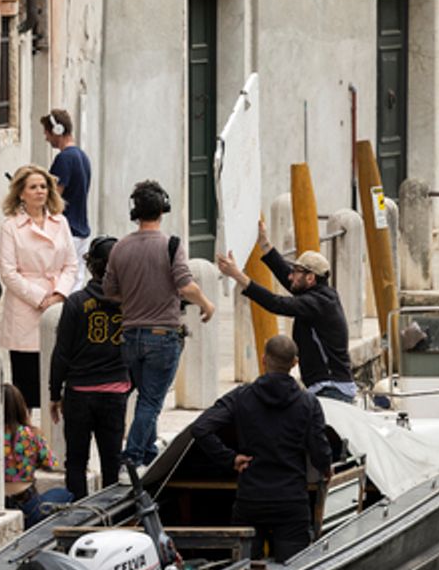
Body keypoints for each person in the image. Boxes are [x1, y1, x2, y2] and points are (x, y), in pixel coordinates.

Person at [103, 180, 216, 469]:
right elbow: (186, 285)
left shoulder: (120, 248)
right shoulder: (171, 245)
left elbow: (110, 291)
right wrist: (206, 303)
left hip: (130, 336)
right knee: (151, 401)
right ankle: (132, 457)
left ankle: (149, 453)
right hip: (162, 335)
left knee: (144, 397)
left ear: (135, 212)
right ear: (162, 209)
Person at [189, 335, 332, 562]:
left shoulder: (241, 397)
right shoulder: (308, 403)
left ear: (264, 359)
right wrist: (326, 469)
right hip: (291, 501)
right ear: (295, 363)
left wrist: (229, 459)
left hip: (251, 499)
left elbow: (201, 428)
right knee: (292, 569)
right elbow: (319, 450)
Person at [215, 220, 354, 402]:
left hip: (331, 388)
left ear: (310, 278)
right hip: (326, 387)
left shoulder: (317, 303)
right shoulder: (319, 295)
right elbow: (287, 278)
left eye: (296, 271)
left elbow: (276, 304)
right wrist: (264, 244)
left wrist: (237, 275)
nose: (290, 275)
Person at [48, 236, 129, 499]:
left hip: (79, 391)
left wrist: (54, 392)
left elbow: (61, 353)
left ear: (91, 266)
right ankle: (110, 513)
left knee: (76, 460)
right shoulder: (131, 301)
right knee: (111, 461)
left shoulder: (76, 302)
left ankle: (78, 512)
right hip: (115, 391)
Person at [0, 164, 77, 411]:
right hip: (25, 305)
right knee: (26, 378)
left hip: (57, 302)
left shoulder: (60, 222)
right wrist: (40, 297)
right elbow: (8, 271)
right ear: (21, 193)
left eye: (43, 186)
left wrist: (58, 294)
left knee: (57, 373)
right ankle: (25, 435)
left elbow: (71, 264)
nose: (39, 191)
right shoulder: (11, 227)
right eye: (33, 187)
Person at [2, 384, 71, 527]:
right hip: (28, 505)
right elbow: (50, 463)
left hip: (0, 503)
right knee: (65, 494)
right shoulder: (31, 434)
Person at [42, 109, 92, 283]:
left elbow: (53, 198)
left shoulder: (64, 159)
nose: (46, 138)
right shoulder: (82, 156)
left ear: (57, 130)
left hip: (66, 232)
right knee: (76, 281)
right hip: (81, 231)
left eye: (47, 133)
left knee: (61, 283)